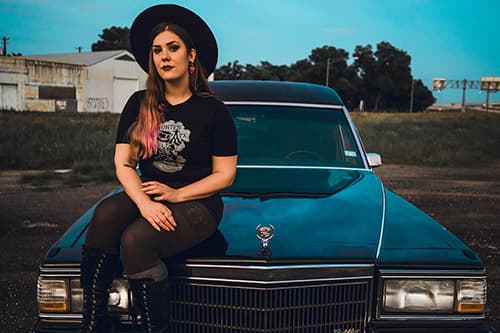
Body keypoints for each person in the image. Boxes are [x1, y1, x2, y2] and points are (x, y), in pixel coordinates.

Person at [79, 4, 237, 333]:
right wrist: (146, 203)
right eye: (157, 50)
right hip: (150, 193)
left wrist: (178, 194)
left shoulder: (213, 111)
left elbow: (225, 175)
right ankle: (92, 323)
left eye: (173, 48)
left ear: (191, 57)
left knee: (137, 240)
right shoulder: (140, 103)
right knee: (106, 214)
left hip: (198, 204)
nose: (164, 56)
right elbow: (123, 164)